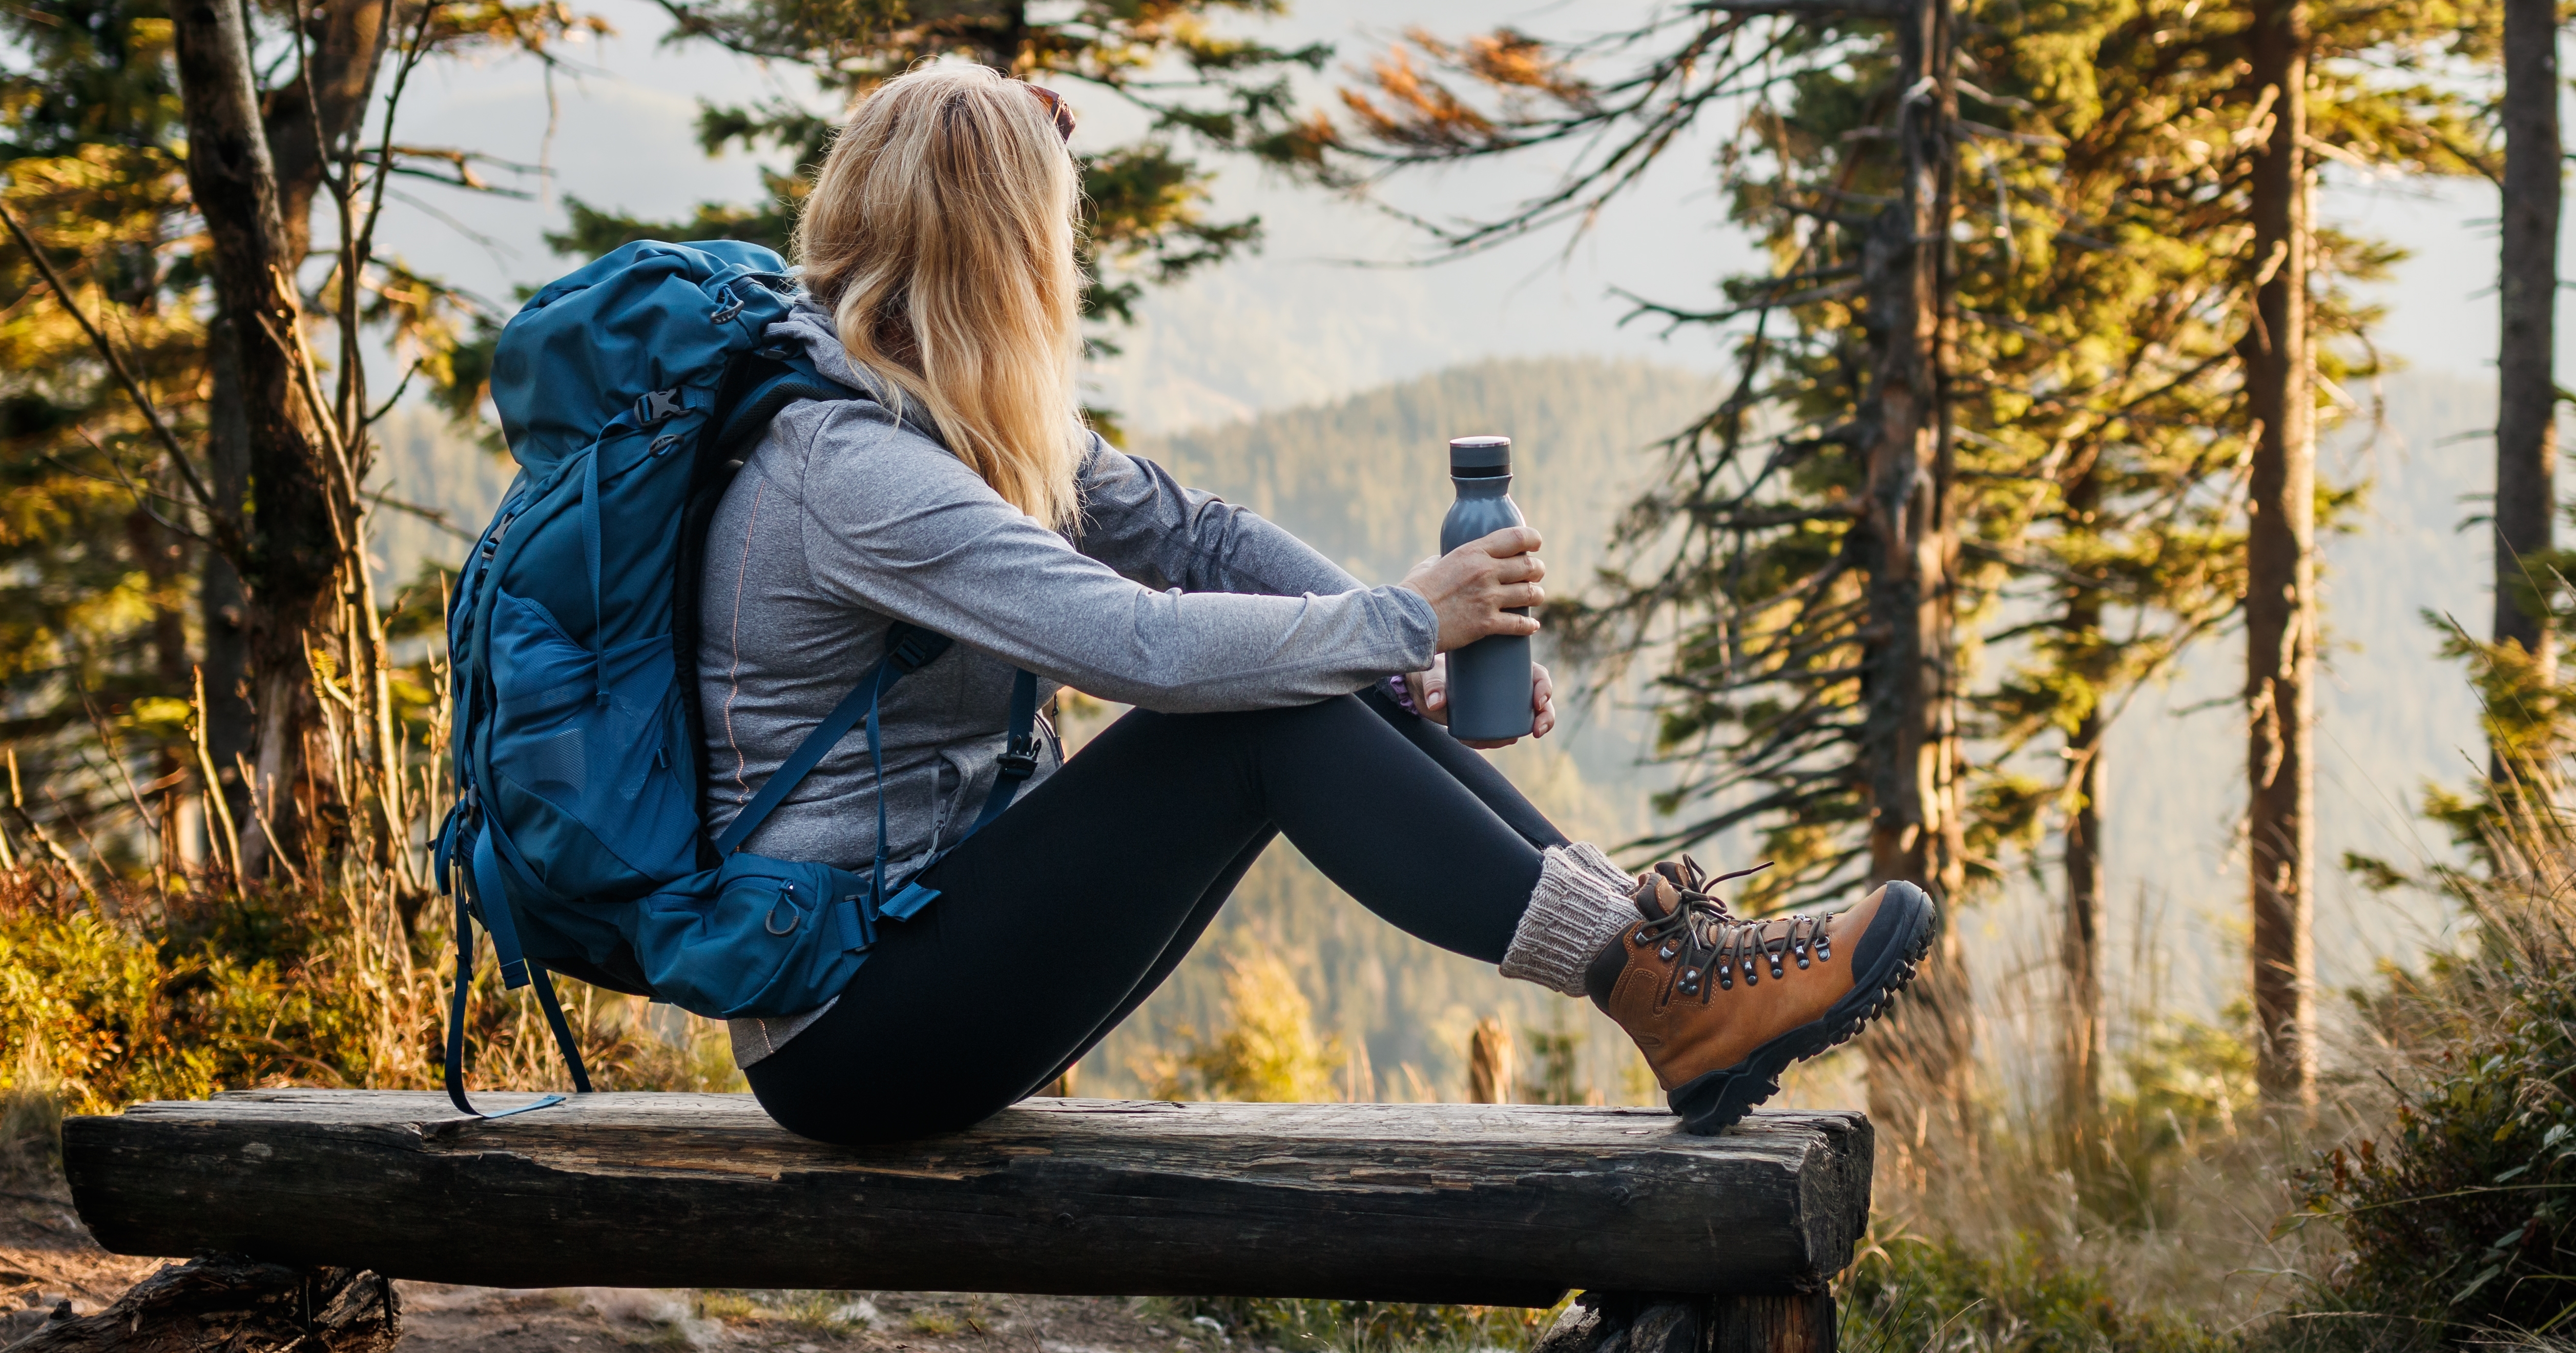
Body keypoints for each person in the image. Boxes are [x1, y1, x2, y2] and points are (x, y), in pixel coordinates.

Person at [699, 57, 1936, 1144]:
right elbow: (1143, 644)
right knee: (1260, 709)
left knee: (1315, 669)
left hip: (938, 950)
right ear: (1001, 256)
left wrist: (1405, 660)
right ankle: (1661, 984)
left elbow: (1198, 535)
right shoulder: (851, 472)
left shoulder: (949, 412)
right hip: (849, 1025)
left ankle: (1669, 963)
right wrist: (1405, 619)